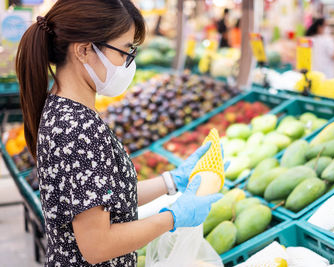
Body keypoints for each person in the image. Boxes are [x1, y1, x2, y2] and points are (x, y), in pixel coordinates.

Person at [15, 1, 223, 266]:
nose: (127, 62)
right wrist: (173, 217)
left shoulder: (64, 110)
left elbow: (103, 199)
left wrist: (171, 182)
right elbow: (98, 246)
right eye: (124, 51)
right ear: (84, 50)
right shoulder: (78, 128)